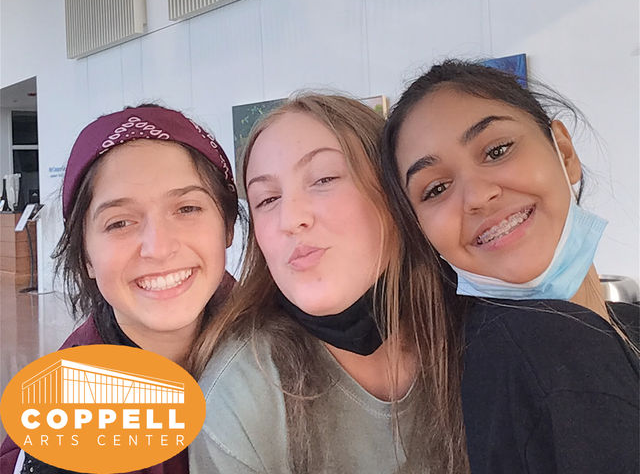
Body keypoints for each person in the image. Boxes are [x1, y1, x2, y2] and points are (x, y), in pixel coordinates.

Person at [381, 59, 639, 474]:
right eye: (436, 189)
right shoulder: (542, 352)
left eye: (497, 151)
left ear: (564, 152)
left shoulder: (622, 324)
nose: (477, 196)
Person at [189, 94, 469, 474]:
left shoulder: (481, 336)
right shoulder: (239, 396)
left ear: (393, 193)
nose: (291, 219)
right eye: (267, 199)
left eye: (324, 179)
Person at [0, 105, 240, 474]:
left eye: (187, 208)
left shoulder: (293, 350)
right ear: (86, 257)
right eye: (120, 223)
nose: (158, 248)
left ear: (227, 226)